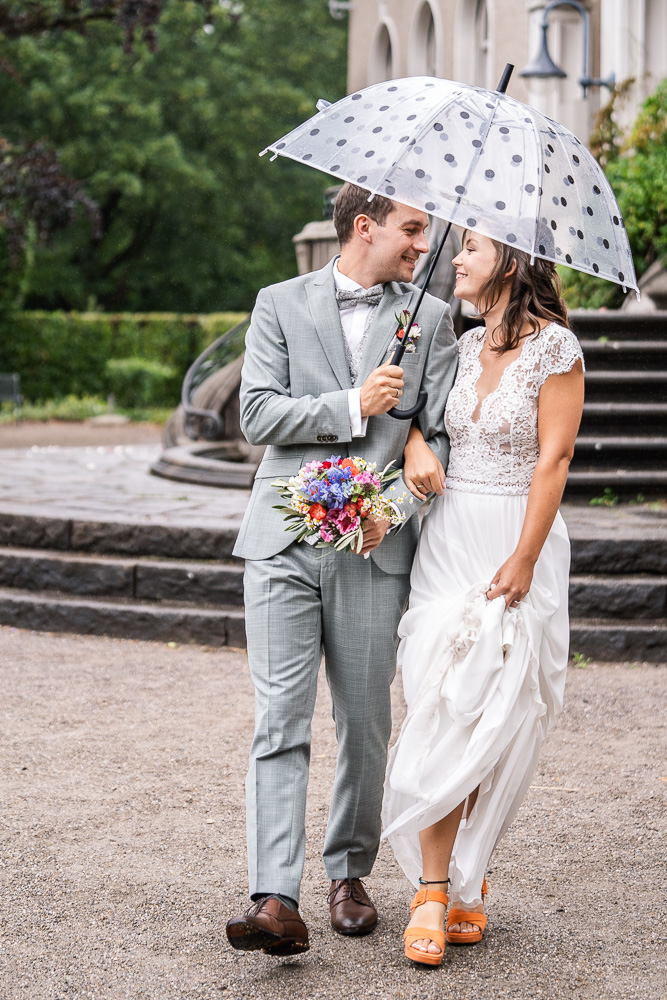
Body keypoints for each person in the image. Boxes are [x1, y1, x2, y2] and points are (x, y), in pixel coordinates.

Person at [225, 183, 458, 956]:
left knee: (364, 722)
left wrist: (413, 453)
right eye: (412, 230)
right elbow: (257, 414)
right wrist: (353, 403)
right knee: (278, 722)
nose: (424, 247)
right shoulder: (278, 303)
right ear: (365, 226)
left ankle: (348, 873)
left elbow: (447, 431)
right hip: (282, 542)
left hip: (373, 544)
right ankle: (273, 897)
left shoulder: (428, 318)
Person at [382, 229, 585, 967]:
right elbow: (422, 425)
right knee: (441, 701)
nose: (456, 258)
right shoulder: (462, 346)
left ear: (513, 260)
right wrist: (411, 446)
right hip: (448, 540)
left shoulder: (556, 350)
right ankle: (436, 887)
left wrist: (525, 557)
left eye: (469, 247)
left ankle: (458, 879)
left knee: (498, 712)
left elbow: (553, 459)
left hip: (514, 539)